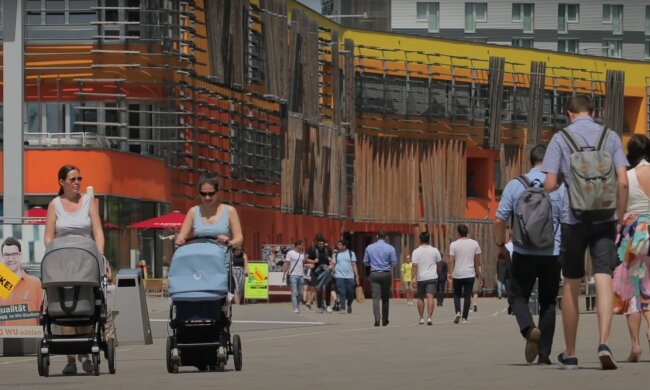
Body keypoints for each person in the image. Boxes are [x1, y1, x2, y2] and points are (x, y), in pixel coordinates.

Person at [541, 94, 628, 370]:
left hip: (573, 218)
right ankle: (604, 342)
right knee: (604, 278)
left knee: (572, 282)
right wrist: (619, 218)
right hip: (605, 217)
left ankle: (571, 352)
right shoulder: (611, 137)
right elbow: (623, 182)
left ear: (569, 114)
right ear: (593, 112)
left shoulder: (560, 139)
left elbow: (550, 183)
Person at [495, 144, 564, 365]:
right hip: (552, 253)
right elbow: (569, 218)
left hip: (523, 251)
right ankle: (544, 354)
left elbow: (500, 219)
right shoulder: (560, 186)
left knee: (517, 296)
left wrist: (500, 244)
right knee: (548, 302)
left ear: (531, 160)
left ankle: (528, 329)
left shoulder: (516, 184)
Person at [44, 165, 105, 375]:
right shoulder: (54, 205)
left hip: (85, 259)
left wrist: (100, 258)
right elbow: (49, 236)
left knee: (86, 302)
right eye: (72, 179)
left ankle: (85, 351)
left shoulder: (88, 202)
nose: (77, 182)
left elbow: (97, 232)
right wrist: (51, 255)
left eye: (79, 178)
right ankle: (71, 358)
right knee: (64, 304)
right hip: (62, 260)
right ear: (62, 182)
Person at [613, 134, 650, 363]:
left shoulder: (626, 176)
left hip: (633, 232)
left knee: (632, 290)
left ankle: (635, 345)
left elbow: (620, 208)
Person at [174, 173, 243, 250]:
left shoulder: (230, 211)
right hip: (199, 259)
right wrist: (179, 239)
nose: (207, 197)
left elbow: (239, 238)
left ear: (217, 191)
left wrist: (229, 243)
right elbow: (182, 235)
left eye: (211, 194)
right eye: (203, 194)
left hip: (221, 260)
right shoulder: (193, 212)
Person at [0, 237, 43, 327]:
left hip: (31, 339)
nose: (10, 259)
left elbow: (42, 316)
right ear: (2, 256)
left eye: (14, 254)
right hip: (3, 339)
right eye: (7, 255)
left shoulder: (35, 283)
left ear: (21, 255)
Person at [363, 231, 398, 326]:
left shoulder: (369, 247)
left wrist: (374, 263)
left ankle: (377, 318)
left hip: (374, 273)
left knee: (375, 298)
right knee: (385, 298)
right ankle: (385, 319)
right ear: (386, 237)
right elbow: (394, 263)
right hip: (386, 273)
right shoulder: (390, 248)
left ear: (377, 236)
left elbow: (365, 262)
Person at [448, 224, 481, 324]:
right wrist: (477, 272)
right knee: (467, 295)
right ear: (467, 232)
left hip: (458, 273)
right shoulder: (475, 243)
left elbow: (450, 260)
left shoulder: (453, 244)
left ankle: (458, 312)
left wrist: (450, 272)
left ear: (458, 233)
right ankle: (465, 317)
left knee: (457, 294)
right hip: (470, 273)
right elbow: (477, 260)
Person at [410, 232, 442, 325]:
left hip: (421, 277)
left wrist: (413, 278)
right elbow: (439, 262)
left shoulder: (415, 251)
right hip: (432, 277)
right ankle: (429, 318)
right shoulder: (435, 250)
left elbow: (414, 266)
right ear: (429, 239)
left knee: (420, 297)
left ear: (420, 239)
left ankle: (421, 318)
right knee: (430, 296)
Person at [305, 234, 334, 313]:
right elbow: (306, 258)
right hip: (316, 272)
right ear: (316, 242)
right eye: (319, 243)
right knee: (319, 289)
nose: (321, 244)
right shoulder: (312, 249)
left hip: (326, 270)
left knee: (328, 287)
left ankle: (328, 305)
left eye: (322, 243)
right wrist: (313, 261)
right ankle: (320, 306)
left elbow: (332, 259)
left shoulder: (327, 249)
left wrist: (330, 260)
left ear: (324, 243)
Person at [332, 239, 360, 314]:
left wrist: (357, 276)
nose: (338, 246)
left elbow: (354, 265)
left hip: (350, 277)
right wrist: (331, 271)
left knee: (351, 293)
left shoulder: (351, 253)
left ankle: (349, 304)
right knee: (342, 292)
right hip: (339, 276)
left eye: (340, 245)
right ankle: (342, 308)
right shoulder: (336, 254)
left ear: (344, 246)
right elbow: (333, 265)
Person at [283, 240, 306, 314]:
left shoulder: (302, 254)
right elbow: (286, 264)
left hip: (301, 275)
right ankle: (295, 307)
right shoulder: (290, 253)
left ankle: (297, 305)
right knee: (295, 292)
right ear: (297, 245)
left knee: (300, 293)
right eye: (301, 245)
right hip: (293, 274)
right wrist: (284, 274)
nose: (302, 246)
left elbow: (303, 263)